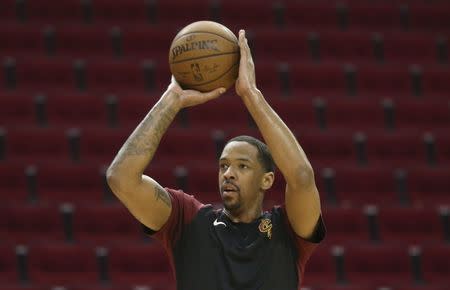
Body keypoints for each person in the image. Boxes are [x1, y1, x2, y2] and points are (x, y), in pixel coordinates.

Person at [106, 29, 325, 290]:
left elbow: (301, 177)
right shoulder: (187, 220)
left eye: (242, 166)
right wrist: (171, 100)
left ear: (267, 179)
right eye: (223, 165)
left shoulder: (286, 229)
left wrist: (251, 94)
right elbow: (121, 178)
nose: (228, 173)